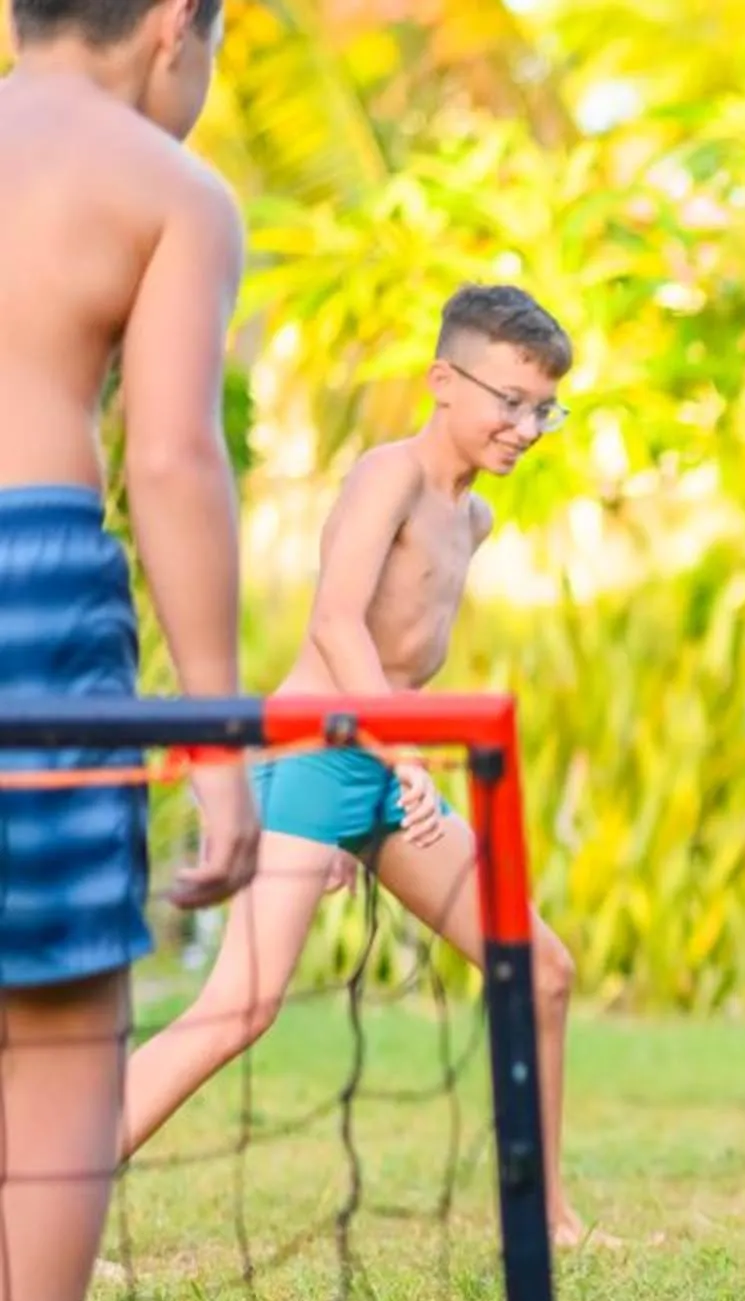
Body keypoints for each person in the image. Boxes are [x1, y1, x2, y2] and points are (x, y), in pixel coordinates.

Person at [121, 285, 591, 1246]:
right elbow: (333, 622)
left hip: (379, 768)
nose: (528, 426)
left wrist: (389, 781)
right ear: (442, 382)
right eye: (510, 399)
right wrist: (398, 761)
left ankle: (547, 1221)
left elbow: (404, 653)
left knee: (539, 971)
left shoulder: (475, 520)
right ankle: (37, 1198)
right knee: (237, 1011)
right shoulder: (390, 475)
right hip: (318, 753)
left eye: (545, 407)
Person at [0, 0, 258, 1301]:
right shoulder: (168, 188)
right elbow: (170, 459)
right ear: (174, 26)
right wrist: (215, 743)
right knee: (54, 1046)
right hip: (29, 595)